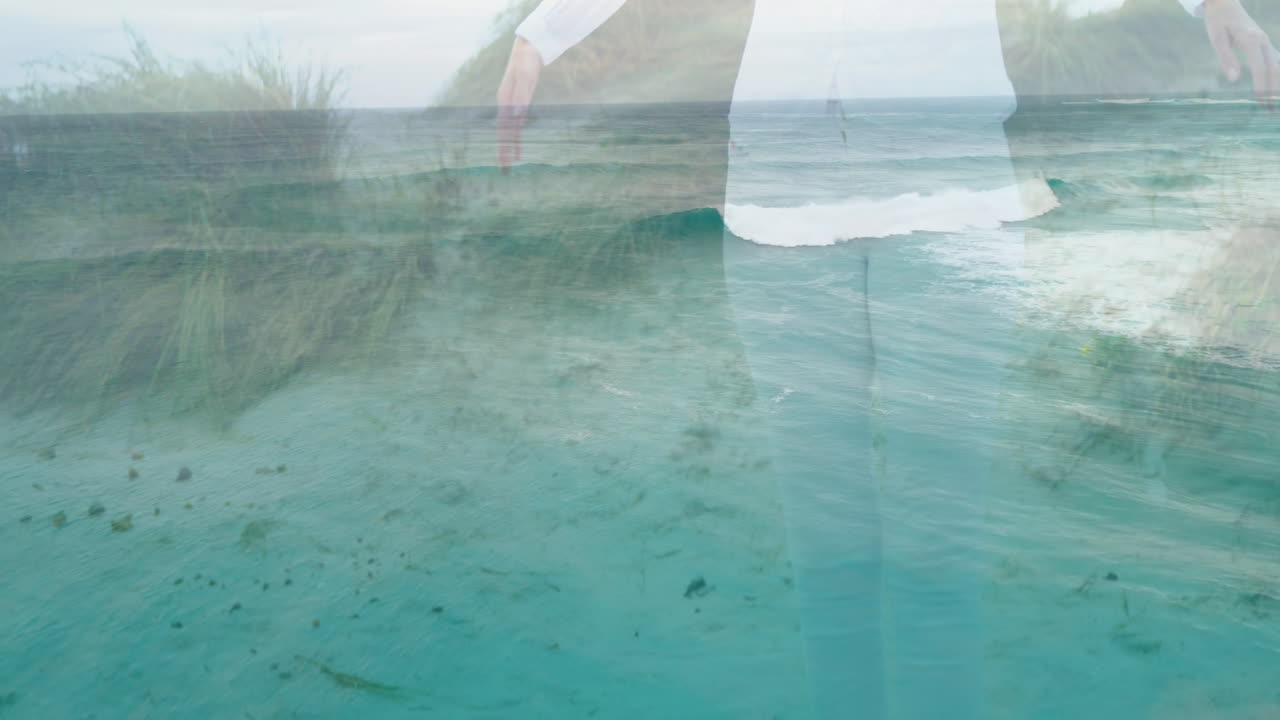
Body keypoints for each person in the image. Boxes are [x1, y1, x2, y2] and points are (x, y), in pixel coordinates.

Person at [494, 1, 1278, 718]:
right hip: (781, 217)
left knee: (938, 548)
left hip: (949, 208)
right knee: (826, 549)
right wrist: (539, 37)